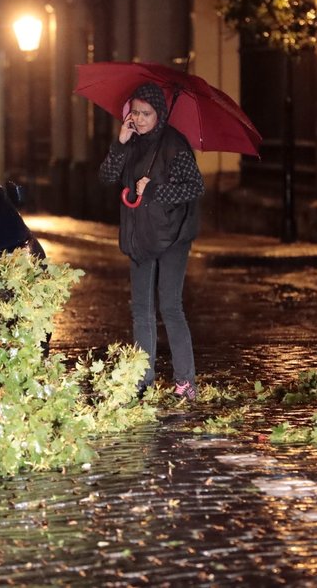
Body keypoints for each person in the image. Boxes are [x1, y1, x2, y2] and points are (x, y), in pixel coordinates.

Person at [98, 82, 204, 401]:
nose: (140, 119)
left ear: (159, 113)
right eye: (135, 112)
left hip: (173, 235)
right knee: (141, 310)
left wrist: (154, 190)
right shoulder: (130, 143)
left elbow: (194, 187)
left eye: (146, 113)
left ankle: (185, 382)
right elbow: (105, 177)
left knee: (170, 306)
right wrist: (120, 143)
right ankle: (142, 380)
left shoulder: (175, 144)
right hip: (140, 235)